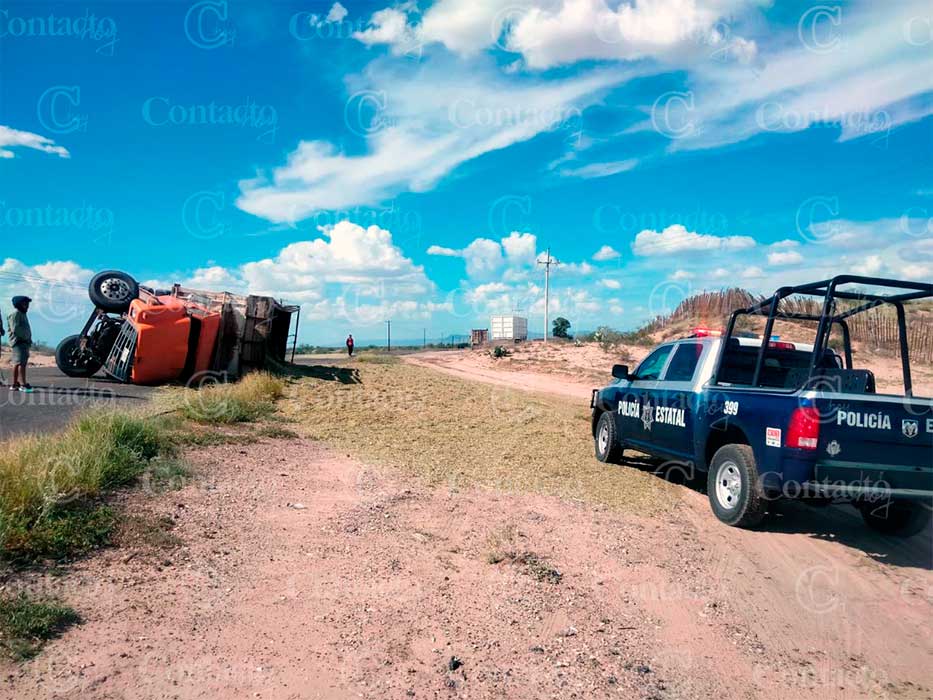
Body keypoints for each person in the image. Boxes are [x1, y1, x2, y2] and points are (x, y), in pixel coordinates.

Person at [8, 296, 32, 392]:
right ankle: (21, 384)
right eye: (25, 303)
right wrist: (25, 337)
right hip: (19, 342)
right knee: (19, 363)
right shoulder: (16, 314)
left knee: (21, 363)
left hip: (24, 342)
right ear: (19, 304)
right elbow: (15, 329)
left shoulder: (22, 314)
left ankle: (17, 384)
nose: (27, 306)